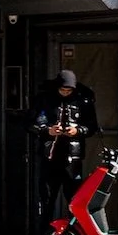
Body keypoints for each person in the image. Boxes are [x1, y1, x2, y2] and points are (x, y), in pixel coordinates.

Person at [33, 70, 101, 223]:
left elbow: (92, 126)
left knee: (75, 200)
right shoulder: (44, 100)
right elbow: (31, 123)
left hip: (72, 159)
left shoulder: (83, 101)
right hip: (49, 157)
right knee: (47, 199)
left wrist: (78, 130)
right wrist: (47, 130)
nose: (65, 93)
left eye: (68, 90)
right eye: (62, 89)